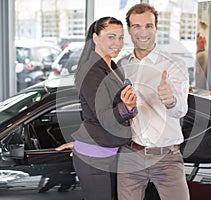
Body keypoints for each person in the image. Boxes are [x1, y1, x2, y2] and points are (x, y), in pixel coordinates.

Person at [117, 3, 190, 200]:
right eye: (136, 26)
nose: (143, 32)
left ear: (156, 28)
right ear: (129, 30)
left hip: (167, 158)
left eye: (148, 26)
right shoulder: (122, 65)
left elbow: (181, 110)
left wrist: (170, 100)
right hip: (131, 154)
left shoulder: (174, 65)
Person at [72, 16, 137, 200]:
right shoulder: (90, 70)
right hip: (94, 157)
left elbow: (125, 110)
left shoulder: (113, 67)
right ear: (95, 38)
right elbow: (104, 117)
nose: (117, 43)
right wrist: (128, 107)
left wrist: (130, 107)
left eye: (121, 37)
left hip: (111, 152)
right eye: (111, 37)